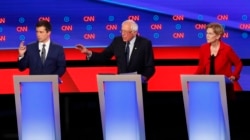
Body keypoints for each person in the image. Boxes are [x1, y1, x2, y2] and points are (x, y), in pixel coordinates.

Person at [75, 19, 155, 93]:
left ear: (134, 32)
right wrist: (88, 52)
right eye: (122, 31)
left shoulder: (145, 43)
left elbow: (150, 67)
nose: (123, 34)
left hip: (138, 87)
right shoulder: (117, 41)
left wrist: (142, 78)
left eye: (126, 32)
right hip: (120, 85)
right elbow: (104, 57)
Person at [195, 22, 243, 91]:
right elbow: (201, 67)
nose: (207, 36)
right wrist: (193, 78)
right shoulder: (203, 48)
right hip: (209, 83)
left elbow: (238, 64)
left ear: (218, 36)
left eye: (210, 34)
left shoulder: (227, 49)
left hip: (224, 84)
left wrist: (234, 76)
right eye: (207, 33)